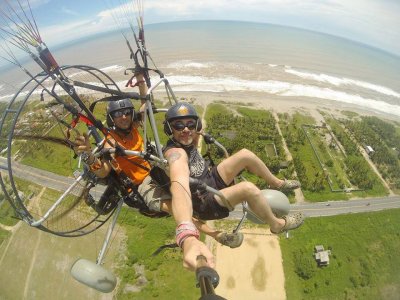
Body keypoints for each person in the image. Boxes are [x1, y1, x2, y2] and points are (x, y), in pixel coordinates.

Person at [73, 74, 242, 257]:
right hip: (142, 184)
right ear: (111, 117)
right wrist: (89, 155)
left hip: (155, 168)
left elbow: (145, 107)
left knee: (187, 185)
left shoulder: (135, 128)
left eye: (127, 113)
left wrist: (142, 84)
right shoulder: (109, 143)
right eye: (118, 114)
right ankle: (217, 235)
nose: (123, 117)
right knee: (177, 210)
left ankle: (215, 195)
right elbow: (104, 171)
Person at [152, 101, 304, 270]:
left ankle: (278, 183)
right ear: (169, 130)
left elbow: (192, 135)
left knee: (245, 155)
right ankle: (276, 225)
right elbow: (179, 183)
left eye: (190, 124)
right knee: (249, 189)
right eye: (178, 125)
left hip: (208, 179)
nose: (186, 129)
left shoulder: (188, 139)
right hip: (204, 200)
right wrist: (186, 231)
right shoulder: (176, 154)